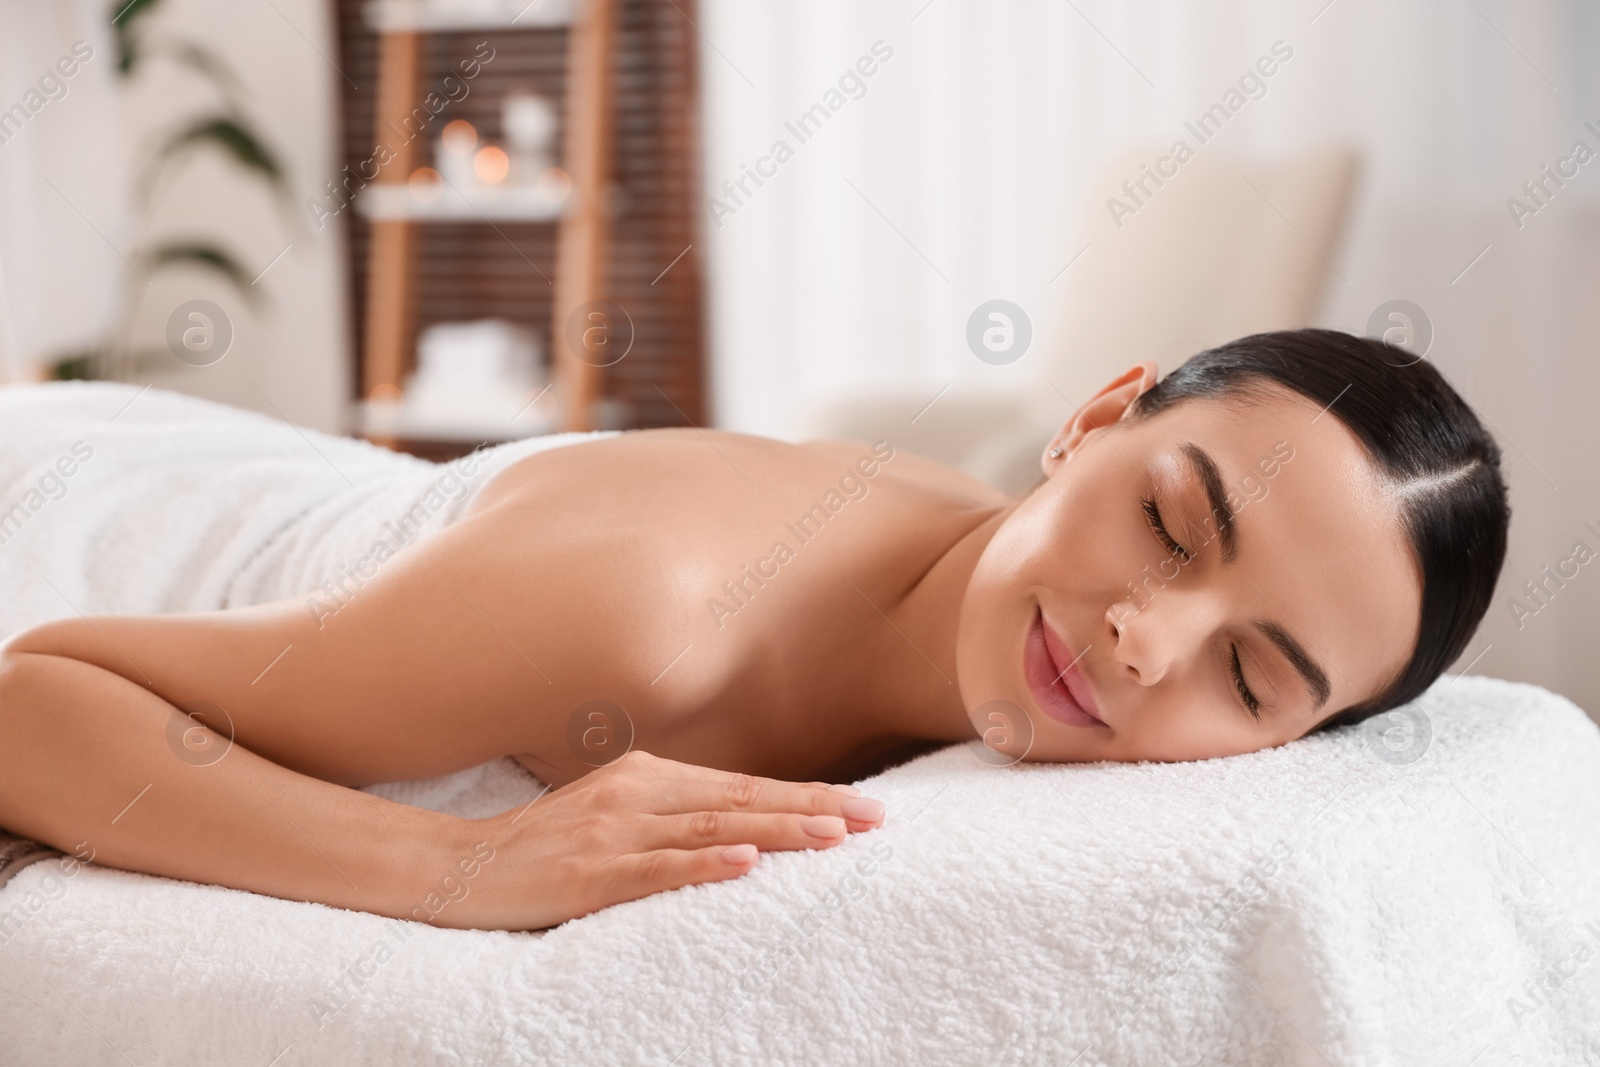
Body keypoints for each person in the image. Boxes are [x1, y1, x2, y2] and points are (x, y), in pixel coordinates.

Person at [0, 328, 1509, 931]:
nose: (1142, 643)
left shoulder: (1000, 611)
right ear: (1094, 418)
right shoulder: (644, 617)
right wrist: (453, 867)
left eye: (1248, 678)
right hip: (91, 503)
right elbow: (32, 701)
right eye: (1172, 527)